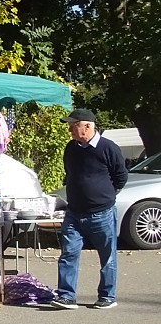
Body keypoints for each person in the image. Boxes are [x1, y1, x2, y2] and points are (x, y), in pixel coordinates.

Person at [50, 108, 127, 310]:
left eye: (73, 126)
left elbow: (121, 176)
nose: (70, 130)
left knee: (107, 256)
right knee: (68, 254)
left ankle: (107, 296)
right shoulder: (71, 148)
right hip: (74, 212)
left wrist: (105, 195)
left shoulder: (108, 147)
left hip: (101, 212)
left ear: (87, 126)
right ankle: (66, 296)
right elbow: (70, 172)